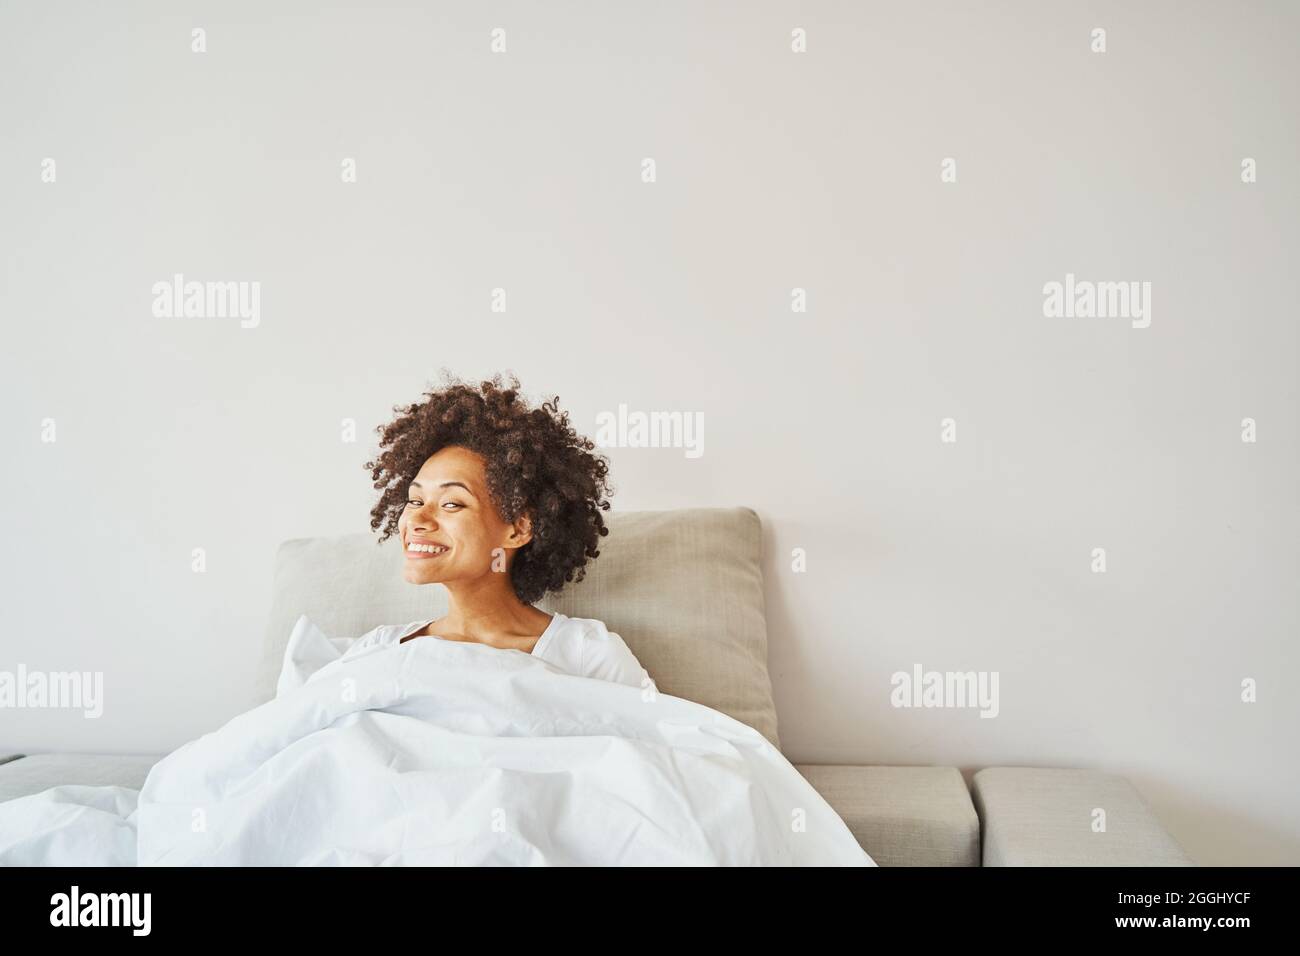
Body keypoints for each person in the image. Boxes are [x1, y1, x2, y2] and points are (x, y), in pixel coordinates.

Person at [344, 372, 648, 689]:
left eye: (451, 504)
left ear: (517, 529)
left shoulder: (585, 656)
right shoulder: (378, 651)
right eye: (414, 499)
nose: (418, 519)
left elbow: (662, 733)